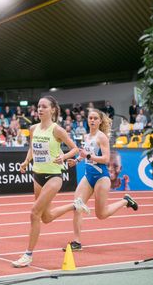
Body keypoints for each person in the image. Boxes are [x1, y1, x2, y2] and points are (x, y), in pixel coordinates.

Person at [44, 109, 139, 251]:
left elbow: (106, 159)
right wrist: (76, 160)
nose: (92, 120)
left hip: (101, 178)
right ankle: (77, 242)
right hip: (88, 177)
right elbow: (84, 153)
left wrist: (88, 156)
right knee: (77, 206)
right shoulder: (86, 136)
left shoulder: (102, 137)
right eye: (90, 118)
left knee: (101, 214)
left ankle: (126, 201)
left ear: (100, 121)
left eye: (95, 118)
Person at [11, 96, 79, 268]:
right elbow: (32, 148)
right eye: (38, 106)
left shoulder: (57, 130)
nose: (40, 109)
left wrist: (63, 156)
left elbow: (75, 149)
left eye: (44, 107)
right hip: (37, 176)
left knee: (34, 213)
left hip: (54, 177)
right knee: (46, 217)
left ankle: (28, 254)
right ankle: (74, 206)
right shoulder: (33, 128)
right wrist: (26, 161)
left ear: (53, 110)